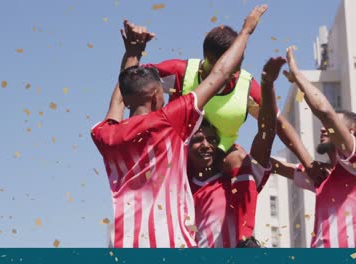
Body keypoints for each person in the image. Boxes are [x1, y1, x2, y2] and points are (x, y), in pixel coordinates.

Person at [107, 21, 315, 245]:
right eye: (232, 60)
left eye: (240, 59)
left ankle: (246, 240)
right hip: (176, 158)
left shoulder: (245, 85)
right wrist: (133, 51)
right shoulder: (182, 72)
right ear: (211, 60)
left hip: (223, 158)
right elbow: (133, 82)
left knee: (241, 157)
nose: (236, 67)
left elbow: (276, 125)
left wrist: (309, 163)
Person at [91, 5, 268, 248]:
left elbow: (119, 98)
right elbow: (221, 73)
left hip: (127, 245)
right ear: (155, 95)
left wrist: (132, 53)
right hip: (172, 244)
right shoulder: (169, 123)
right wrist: (246, 31)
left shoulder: (103, 134)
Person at [271, 47, 356, 248]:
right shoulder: (321, 176)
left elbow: (324, 112)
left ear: (352, 131)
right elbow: (273, 165)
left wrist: (298, 77)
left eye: (332, 126)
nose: (323, 128)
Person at [187, 56, 284, 247]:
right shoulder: (179, 187)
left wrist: (267, 85)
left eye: (212, 140)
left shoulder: (240, 177)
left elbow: (267, 132)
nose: (206, 145)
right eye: (197, 140)